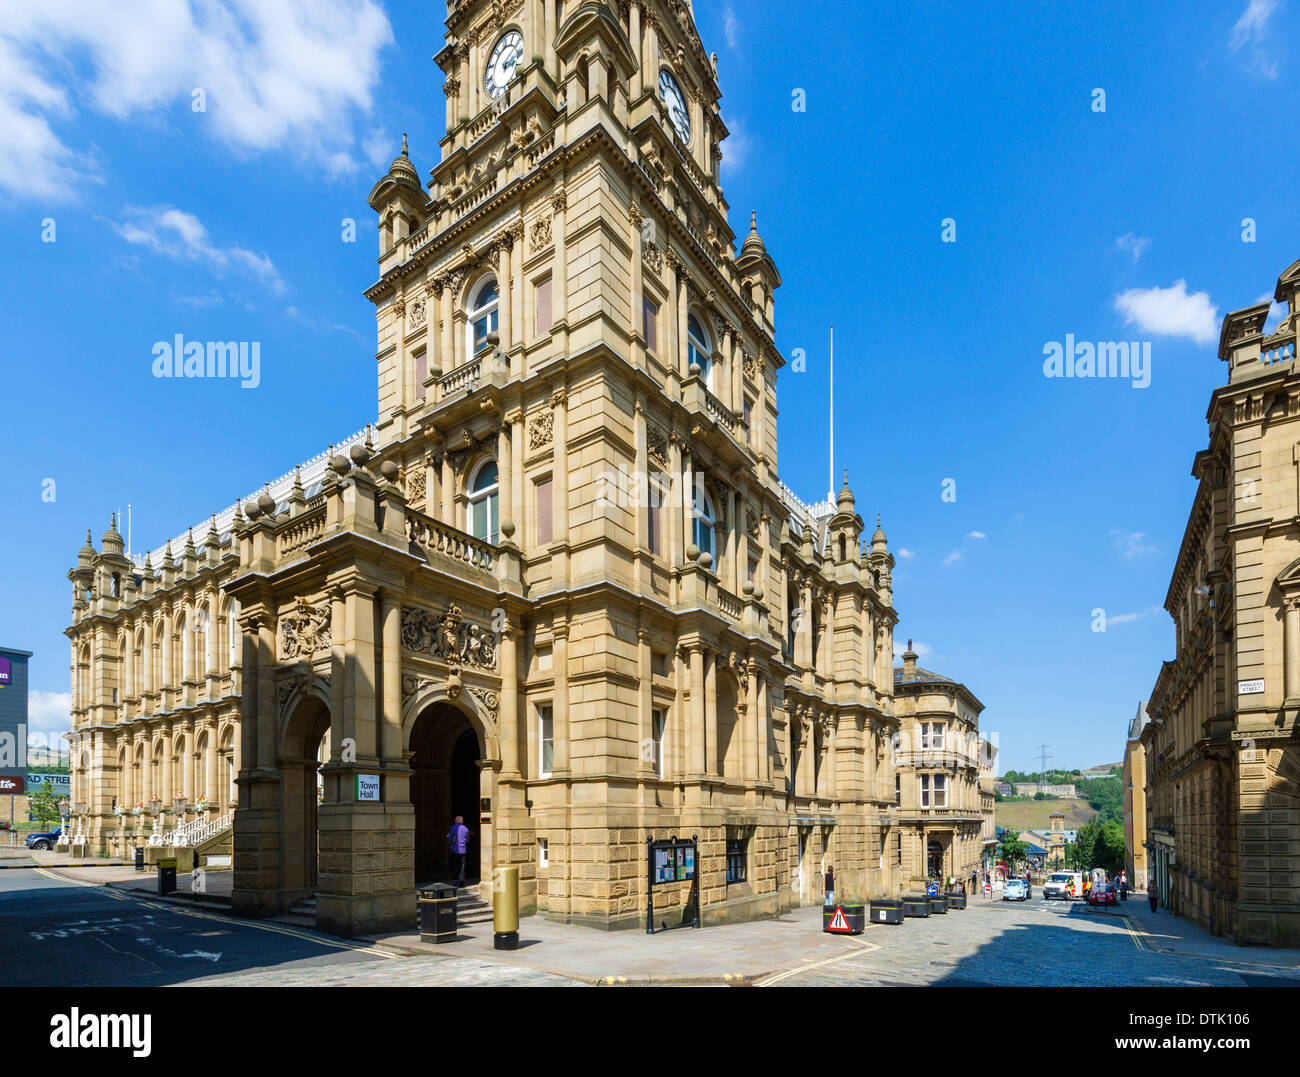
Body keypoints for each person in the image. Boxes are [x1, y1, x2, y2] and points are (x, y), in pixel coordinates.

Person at [447, 815, 470, 888]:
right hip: (463, 851)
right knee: (462, 866)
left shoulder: (453, 827)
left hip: (454, 850)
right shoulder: (466, 829)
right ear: (462, 821)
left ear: (456, 821)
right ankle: (462, 882)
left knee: (454, 865)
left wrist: (450, 841)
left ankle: (455, 880)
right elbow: (467, 840)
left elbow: (450, 838)